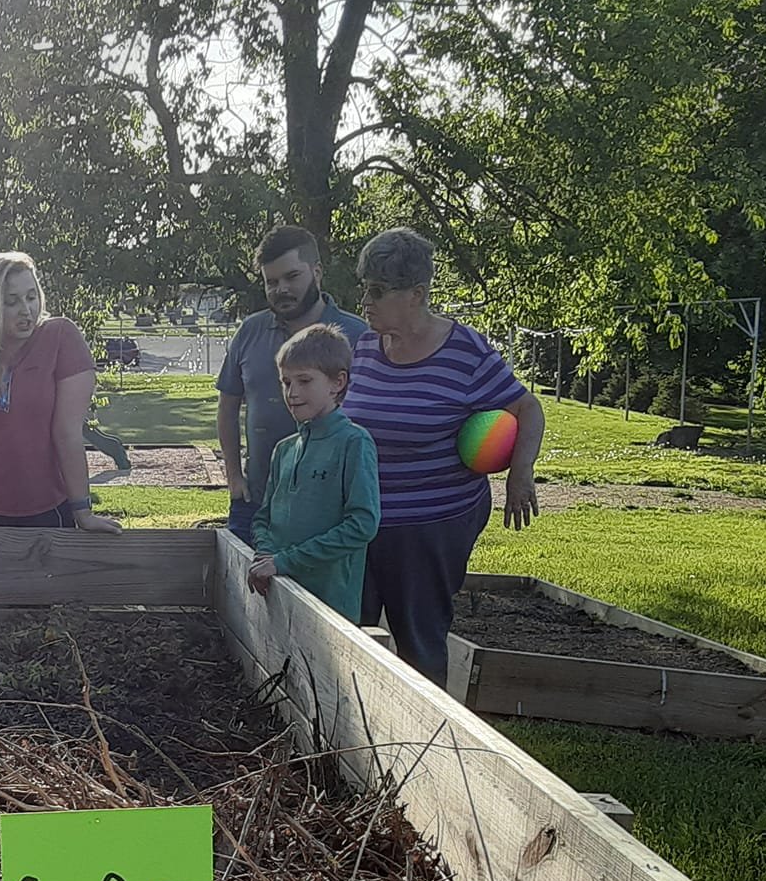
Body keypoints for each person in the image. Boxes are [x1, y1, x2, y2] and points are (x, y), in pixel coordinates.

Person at [344, 227, 546, 687]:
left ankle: (431, 739)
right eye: (364, 289)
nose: (366, 301)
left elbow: (528, 408)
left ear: (416, 294)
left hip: (432, 524)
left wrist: (521, 474)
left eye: (378, 290)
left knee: (420, 640)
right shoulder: (366, 347)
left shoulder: (465, 352)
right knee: (353, 629)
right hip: (364, 520)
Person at [0, 252, 122, 550]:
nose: (26, 310)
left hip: (45, 507)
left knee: (38, 595)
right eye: (11, 301)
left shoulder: (61, 337)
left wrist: (82, 510)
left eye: (31, 297)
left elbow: (67, 432)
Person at [217, 224, 369, 547]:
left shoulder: (358, 336)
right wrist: (233, 475)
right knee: (241, 591)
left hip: (328, 510)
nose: (281, 289)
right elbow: (227, 405)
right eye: (271, 281)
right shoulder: (249, 331)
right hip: (255, 501)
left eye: (291, 277)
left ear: (317, 272)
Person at [247, 325, 380, 622]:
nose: (292, 393)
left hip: (331, 608)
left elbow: (362, 525)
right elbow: (263, 518)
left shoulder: (354, 443)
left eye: (304, 381)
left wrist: (285, 561)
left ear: (337, 382)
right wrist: (266, 557)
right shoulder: (284, 449)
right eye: (286, 382)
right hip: (279, 597)